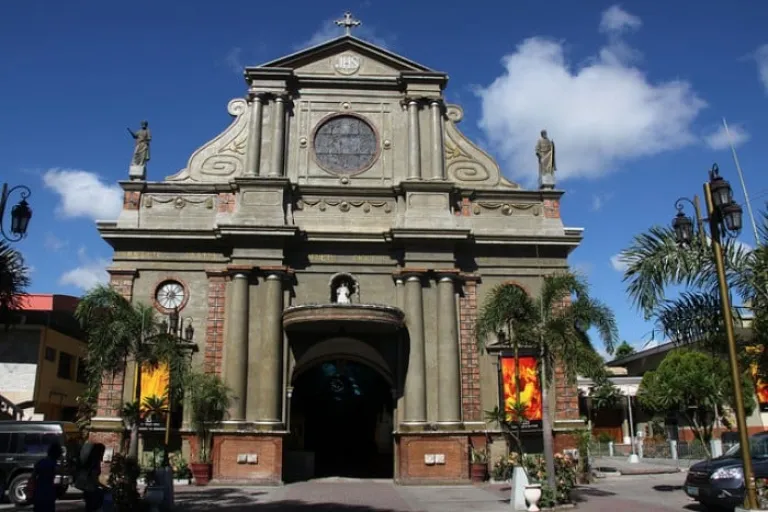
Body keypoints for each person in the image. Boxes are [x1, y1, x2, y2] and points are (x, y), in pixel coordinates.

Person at [28, 442, 62, 512]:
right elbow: (59, 479)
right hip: (49, 492)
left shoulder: (40, 462)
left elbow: (33, 477)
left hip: (38, 491)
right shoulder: (54, 465)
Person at [78, 442, 106, 512]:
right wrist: (105, 488)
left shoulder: (90, 461)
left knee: (89, 508)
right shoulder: (95, 463)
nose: (103, 453)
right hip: (91, 491)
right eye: (103, 451)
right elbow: (94, 480)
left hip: (87, 490)